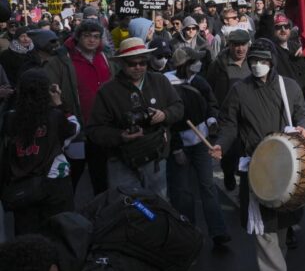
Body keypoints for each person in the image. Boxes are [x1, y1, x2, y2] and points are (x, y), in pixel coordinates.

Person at [210, 39, 305, 271]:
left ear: (272, 61)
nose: (257, 64)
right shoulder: (239, 90)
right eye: (253, 60)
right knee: (264, 230)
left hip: (287, 167)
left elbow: (303, 112)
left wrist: (304, 127)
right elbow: (229, 125)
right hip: (257, 168)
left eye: (263, 60)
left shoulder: (289, 87)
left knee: (281, 226)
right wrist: (221, 145)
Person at [87, 37, 184, 198]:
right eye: (132, 64)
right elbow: (94, 130)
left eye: (142, 63)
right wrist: (120, 136)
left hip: (156, 159)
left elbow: (179, 107)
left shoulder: (160, 81)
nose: (138, 67)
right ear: (121, 63)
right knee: (126, 206)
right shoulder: (107, 91)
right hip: (121, 161)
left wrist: (164, 115)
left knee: (157, 205)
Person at [165, 47, 230, 248]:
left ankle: (218, 232)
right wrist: (176, 149)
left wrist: (211, 121)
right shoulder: (167, 84)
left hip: (201, 142)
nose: (198, 64)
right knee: (182, 192)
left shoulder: (200, 81)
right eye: (194, 61)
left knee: (208, 186)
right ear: (184, 65)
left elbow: (211, 103)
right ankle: (189, 235)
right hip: (178, 144)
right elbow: (167, 122)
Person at [1, 69, 79, 235]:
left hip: (22, 184)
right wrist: (59, 103)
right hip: (54, 180)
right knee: (60, 232)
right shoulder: (54, 116)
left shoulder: (10, 118)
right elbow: (74, 129)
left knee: (27, 235)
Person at [64, 20, 112, 195]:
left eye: (96, 36)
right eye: (87, 36)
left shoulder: (104, 57)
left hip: (101, 127)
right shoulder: (66, 59)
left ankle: (101, 208)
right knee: (73, 176)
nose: (92, 40)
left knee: (100, 177)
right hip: (78, 127)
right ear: (78, 37)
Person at [205, 29, 251, 191]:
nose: (240, 49)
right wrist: (213, 114)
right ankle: (229, 174)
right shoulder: (218, 65)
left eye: (243, 44)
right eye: (236, 45)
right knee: (229, 152)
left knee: (246, 152)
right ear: (229, 45)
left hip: (247, 115)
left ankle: (245, 183)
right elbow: (209, 90)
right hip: (226, 117)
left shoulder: (253, 62)